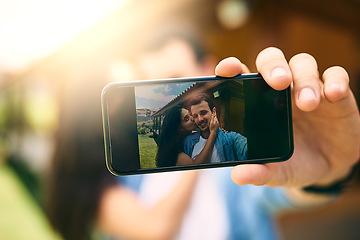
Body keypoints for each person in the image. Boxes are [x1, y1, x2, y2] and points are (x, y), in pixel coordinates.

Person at [183, 92, 248, 163]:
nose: (200, 119)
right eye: (195, 116)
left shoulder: (230, 138)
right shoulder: (188, 141)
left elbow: (248, 150)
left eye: (203, 113)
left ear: (213, 112)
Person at [155, 104, 220, 167]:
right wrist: (213, 132)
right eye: (186, 119)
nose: (192, 118)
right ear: (178, 128)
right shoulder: (173, 152)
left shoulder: (192, 136)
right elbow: (197, 166)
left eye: (190, 115)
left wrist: (219, 132)